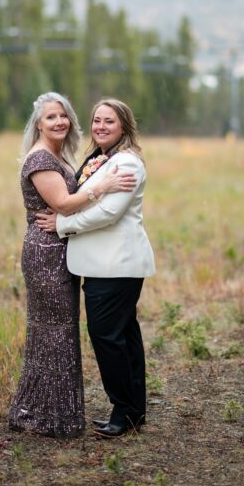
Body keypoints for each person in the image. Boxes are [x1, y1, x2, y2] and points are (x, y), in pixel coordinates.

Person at [8, 92, 136, 438]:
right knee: (54, 331)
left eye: (63, 116)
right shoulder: (40, 159)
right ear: (38, 123)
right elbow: (63, 204)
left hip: (60, 248)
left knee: (57, 330)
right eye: (51, 117)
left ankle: (46, 409)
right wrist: (104, 186)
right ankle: (47, 415)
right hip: (46, 251)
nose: (59, 122)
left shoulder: (55, 155)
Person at [36, 98, 155, 438]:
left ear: (124, 127)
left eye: (110, 122)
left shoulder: (127, 164)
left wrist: (62, 224)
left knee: (107, 338)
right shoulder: (102, 158)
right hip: (107, 264)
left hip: (115, 265)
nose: (101, 127)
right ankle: (134, 410)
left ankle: (123, 409)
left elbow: (108, 213)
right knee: (124, 337)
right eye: (97, 121)